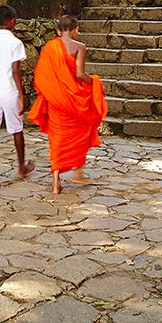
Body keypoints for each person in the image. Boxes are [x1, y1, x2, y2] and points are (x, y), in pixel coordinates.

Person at [27, 15, 108, 195]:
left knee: (57, 139)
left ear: (58, 30)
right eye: (77, 29)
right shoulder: (80, 47)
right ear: (75, 30)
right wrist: (94, 81)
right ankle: (78, 172)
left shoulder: (50, 47)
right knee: (83, 131)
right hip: (74, 99)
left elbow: (42, 75)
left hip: (56, 100)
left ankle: (56, 182)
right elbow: (80, 74)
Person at [0, 4, 35, 191]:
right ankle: (21, 167)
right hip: (8, 90)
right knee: (16, 129)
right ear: (12, 21)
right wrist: (21, 95)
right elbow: (15, 71)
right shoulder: (15, 43)